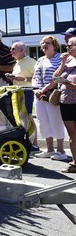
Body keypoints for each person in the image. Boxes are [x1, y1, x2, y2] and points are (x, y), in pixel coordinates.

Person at [33, 35, 68, 160]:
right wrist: (36, 89)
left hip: (53, 94)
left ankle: (60, 151)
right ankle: (49, 149)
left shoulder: (60, 58)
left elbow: (57, 78)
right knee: (43, 122)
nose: (44, 45)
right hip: (39, 95)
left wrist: (44, 89)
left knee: (55, 121)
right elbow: (34, 77)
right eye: (42, 43)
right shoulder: (40, 60)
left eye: (47, 43)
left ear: (54, 45)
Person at [45, 36, 76, 172]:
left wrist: (71, 86)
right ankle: (75, 164)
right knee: (72, 134)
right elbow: (54, 77)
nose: (67, 48)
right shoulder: (68, 60)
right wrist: (63, 64)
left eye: (70, 46)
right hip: (66, 102)